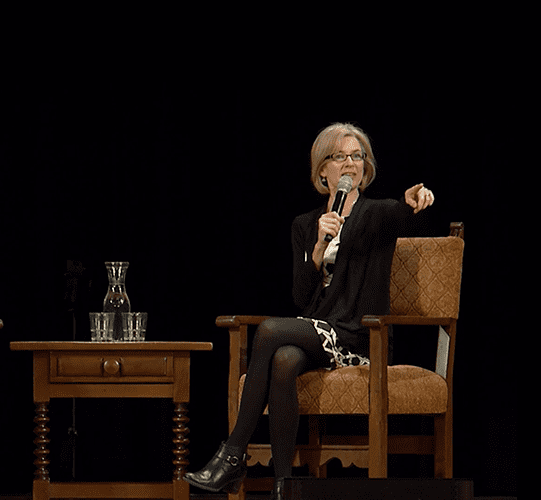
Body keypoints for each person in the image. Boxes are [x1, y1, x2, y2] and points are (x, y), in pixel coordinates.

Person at [183, 123, 436, 500]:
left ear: (365, 169)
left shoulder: (377, 215)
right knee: (284, 359)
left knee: (269, 330)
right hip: (320, 330)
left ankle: (232, 454)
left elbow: (407, 215)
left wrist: (416, 200)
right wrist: (318, 247)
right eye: (340, 157)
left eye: (357, 156)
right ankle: (285, 486)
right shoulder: (305, 225)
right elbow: (301, 297)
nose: (350, 163)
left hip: (360, 336)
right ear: (323, 170)